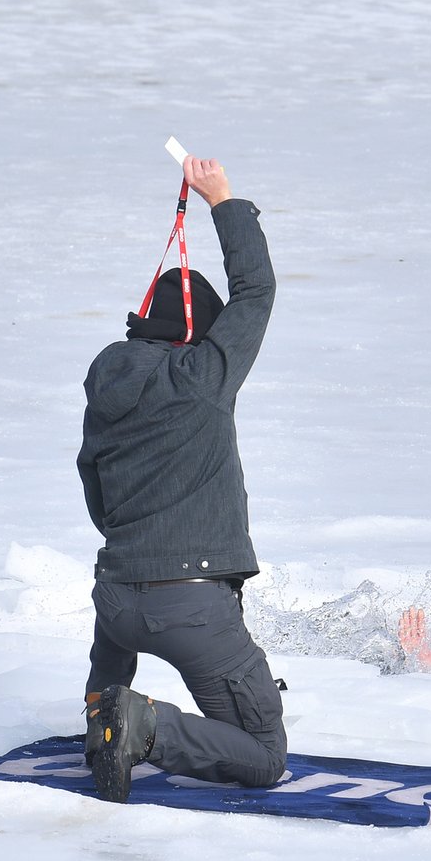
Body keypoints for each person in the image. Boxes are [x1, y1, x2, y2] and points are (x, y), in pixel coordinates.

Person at [78, 153, 286, 803]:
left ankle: (101, 711)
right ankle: (143, 727)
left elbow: (93, 480)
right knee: (263, 753)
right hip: (189, 605)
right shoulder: (202, 379)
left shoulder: (105, 384)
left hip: (115, 601)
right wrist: (222, 197)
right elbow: (257, 291)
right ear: (198, 335)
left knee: (115, 657)